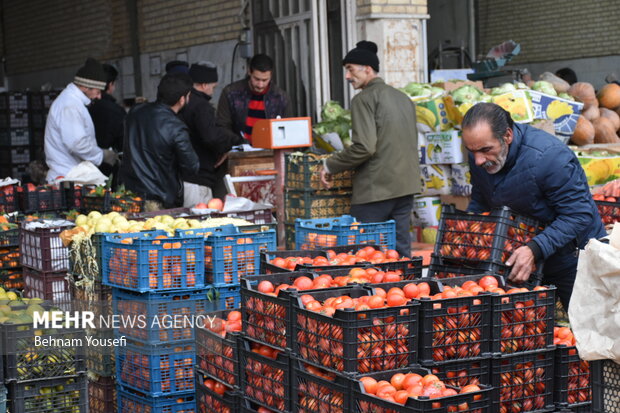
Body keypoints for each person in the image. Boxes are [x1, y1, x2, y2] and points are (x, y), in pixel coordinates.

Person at [461, 102, 606, 310]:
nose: (478, 160)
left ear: (507, 136)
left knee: (586, 325)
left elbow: (578, 214)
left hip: (574, 256)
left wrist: (534, 249)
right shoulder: (480, 154)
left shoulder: (550, 157)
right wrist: (469, 232)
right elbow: (481, 198)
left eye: (485, 150)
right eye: (471, 151)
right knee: (528, 330)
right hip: (522, 253)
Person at [319, 40, 421, 258]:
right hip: (406, 187)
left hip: (376, 189)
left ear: (367, 69)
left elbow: (364, 147)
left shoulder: (363, 99)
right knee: (400, 252)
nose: (347, 76)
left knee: (365, 253)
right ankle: (405, 288)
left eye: (350, 69)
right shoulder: (403, 98)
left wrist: (330, 164)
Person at [119, 73, 199, 211]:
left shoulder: (135, 112)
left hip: (129, 197)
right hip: (159, 200)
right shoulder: (176, 126)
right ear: (182, 99)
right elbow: (192, 166)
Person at [180, 62, 245, 207]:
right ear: (204, 85)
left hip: (183, 178)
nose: (213, 91)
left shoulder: (182, 102)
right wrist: (235, 142)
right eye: (213, 87)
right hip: (198, 179)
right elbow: (211, 136)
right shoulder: (201, 106)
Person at [44, 57, 119, 182]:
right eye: (98, 91)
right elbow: (78, 144)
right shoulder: (70, 105)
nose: (99, 97)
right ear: (85, 87)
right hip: (67, 178)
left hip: (73, 175)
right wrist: (102, 155)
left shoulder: (73, 102)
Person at [217, 53, 292, 144]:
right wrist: (240, 142)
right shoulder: (230, 93)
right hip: (239, 151)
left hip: (271, 151)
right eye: (256, 79)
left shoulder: (281, 98)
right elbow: (222, 126)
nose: (260, 85)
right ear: (249, 72)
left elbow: (288, 129)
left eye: (265, 80)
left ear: (271, 76)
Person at [89, 64, 126, 153]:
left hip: (88, 161)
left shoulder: (87, 107)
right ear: (110, 85)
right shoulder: (116, 111)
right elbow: (124, 142)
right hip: (111, 161)